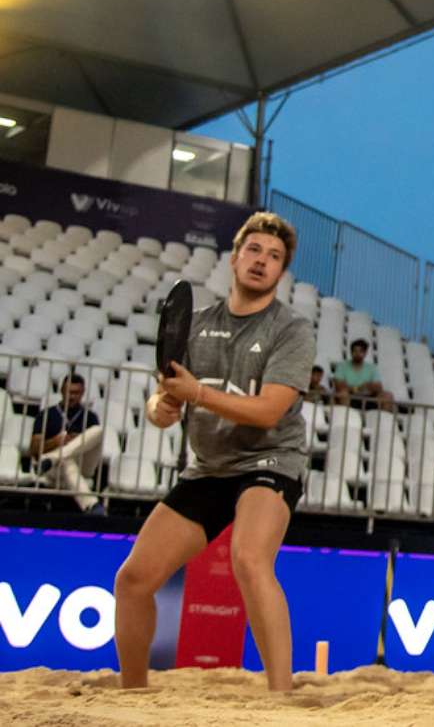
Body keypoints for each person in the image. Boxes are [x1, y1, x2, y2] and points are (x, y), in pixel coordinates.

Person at [113, 212, 315, 692]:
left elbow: (269, 412)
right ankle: (133, 693)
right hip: (209, 467)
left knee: (249, 558)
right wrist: (162, 407)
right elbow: (161, 401)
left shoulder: (291, 329)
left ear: (281, 271)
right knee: (133, 579)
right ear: (234, 258)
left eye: (274, 256)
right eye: (254, 250)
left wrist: (197, 394)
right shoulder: (197, 325)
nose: (262, 261)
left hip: (270, 460)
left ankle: (281, 697)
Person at [29, 373, 106, 515]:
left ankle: (53, 458)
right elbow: (33, 449)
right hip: (53, 470)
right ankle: (91, 505)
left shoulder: (90, 417)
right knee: (66, 461)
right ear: (61, 391)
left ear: (82, 393)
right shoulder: (46, 415)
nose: (72, 396)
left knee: (99, 430)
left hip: (81, 463)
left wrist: (78, 441)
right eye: (69, 392)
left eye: (76, 393)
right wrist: (56, 441)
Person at [332, 338, 394, 411]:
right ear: (351, 352)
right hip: (350, 396)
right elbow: (339, 386)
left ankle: (382, 418)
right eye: (355, 351)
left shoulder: (371, 368)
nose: (357, 354)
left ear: (365, 353)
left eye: (360, 351)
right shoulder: (342, 366)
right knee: (343, 393)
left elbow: (378, 387)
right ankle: (347, 416)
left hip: (368, 397)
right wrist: (359, 388)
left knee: (388, 395)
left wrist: (367, 386)